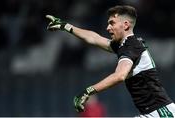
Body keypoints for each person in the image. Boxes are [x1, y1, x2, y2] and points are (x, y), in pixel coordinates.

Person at [46, 5, 175, 117]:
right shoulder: (124, 45)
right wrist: (66, 26)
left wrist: (88, 91)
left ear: (125, 25)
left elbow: (120, 75)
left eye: (112, 23)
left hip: (161, 113)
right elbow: (94, 38)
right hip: (153, 113)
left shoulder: (131, 46)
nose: (108, 28)